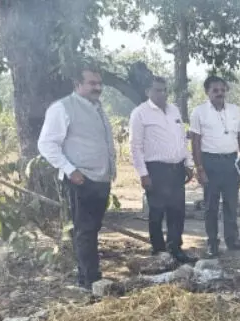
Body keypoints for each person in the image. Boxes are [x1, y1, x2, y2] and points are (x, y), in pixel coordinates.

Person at [38, 65, 116, 290]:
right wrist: (70, 170)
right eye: (92, 83)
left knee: (92, 228)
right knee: (85, 230)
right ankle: (90, 280)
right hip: (80, 179)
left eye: (99, 83)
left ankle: (88, 275)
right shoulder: (62, 108)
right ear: (77, 85)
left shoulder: (98, 108)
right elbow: (46, 144)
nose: (97, 87)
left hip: (101, 178)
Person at [129, 76, 195, 263]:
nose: (162, 94)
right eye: (158, 90)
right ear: (147, 92)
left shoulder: (174, 110)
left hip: (177, 168)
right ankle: (159, 251)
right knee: (157, 211)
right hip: (155, 169)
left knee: (177, 210)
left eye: (165, 90)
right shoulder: (140, 113)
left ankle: (175, 248)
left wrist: (188, 163)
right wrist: (143, 173)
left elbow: (181, 138)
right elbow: (135, 146)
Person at [189, 75, 240, 257]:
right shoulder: (199, 112)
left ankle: (233, 240)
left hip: (231, 163)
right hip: (210, 163)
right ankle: (212, 243)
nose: (219, 93)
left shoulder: (235, 110)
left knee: (231, 204)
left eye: (222, 90)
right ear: (207, 92)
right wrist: (199, 168)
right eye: (215, 90)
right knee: (211, 206)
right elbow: (195, 142)